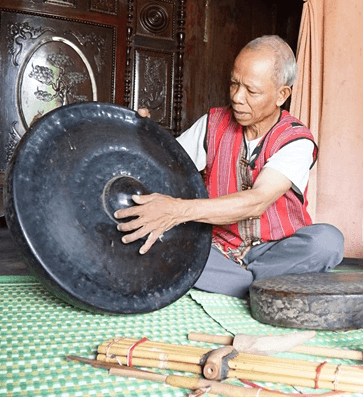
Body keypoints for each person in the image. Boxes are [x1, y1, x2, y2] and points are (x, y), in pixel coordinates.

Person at [114, 35, 344, 298]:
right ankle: (260, 287)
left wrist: (177, 210)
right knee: (155, 241)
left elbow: (257, 201)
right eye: (234, 83)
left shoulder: (296, 140)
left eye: (251, 91)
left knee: (327, 242)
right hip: (216, 250)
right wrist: (140, 136)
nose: (237, 97)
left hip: (276, 251)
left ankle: (236, 283)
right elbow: (161, 168)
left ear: (282, 94)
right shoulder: (212, 124)